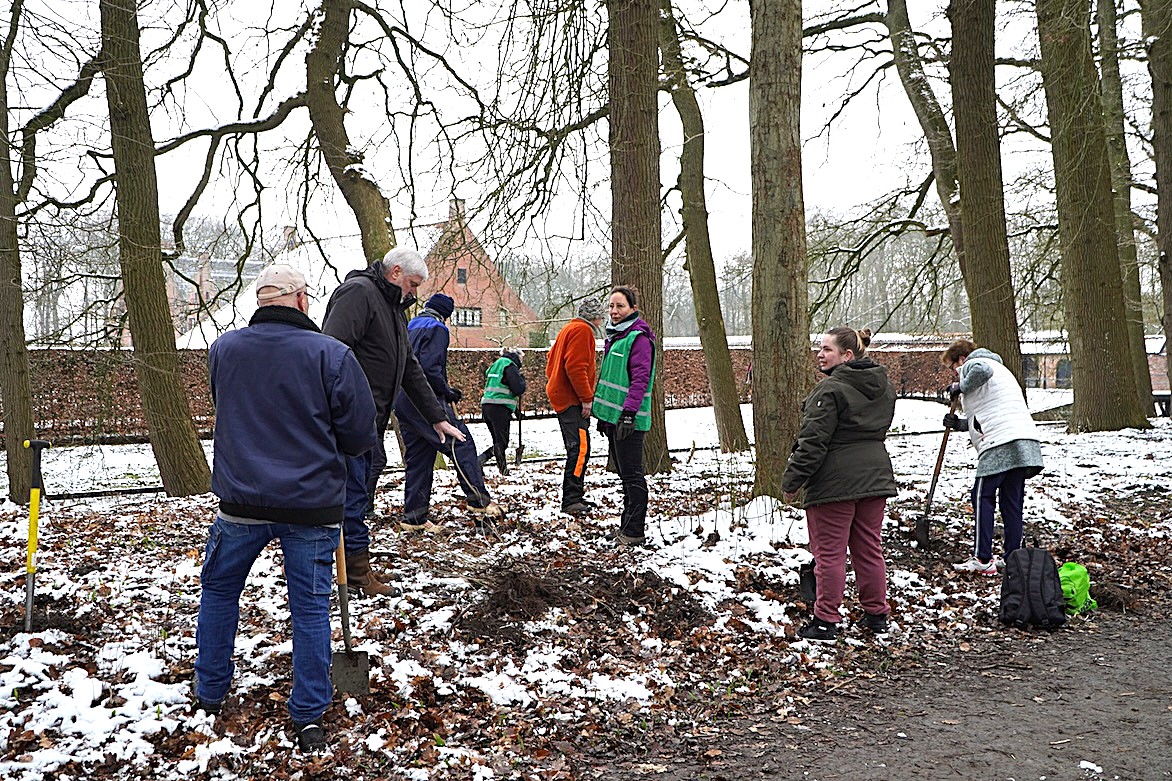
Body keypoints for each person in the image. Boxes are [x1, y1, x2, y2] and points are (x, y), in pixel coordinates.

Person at [196, 264, 377, 752]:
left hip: (241, 500)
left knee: (218, 591)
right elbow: (360, 435)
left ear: (261, 302)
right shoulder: (331, 355)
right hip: (311, 506)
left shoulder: (224, 350)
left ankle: (208, 694)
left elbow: (227, 407)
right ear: (300, 301)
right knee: (310, 608)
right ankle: (309, 716)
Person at [322, 247, 464, 595]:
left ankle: (354, 566)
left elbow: (410, 368)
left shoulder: (392, 308)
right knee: (353, 494)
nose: (415, 293)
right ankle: (352, 573)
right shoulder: (359, 294)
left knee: (359, 489)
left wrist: (437, 417)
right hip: (349, 419)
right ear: (395, 272)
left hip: (369, 419)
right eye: (413, 284)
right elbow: (330, 352)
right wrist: (343, 408)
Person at [782, 327, 897, 643]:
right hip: (876, 477)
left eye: (827, 349)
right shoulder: (884, 387)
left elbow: (813, 443)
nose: (820, 354)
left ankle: (825, 621)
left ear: (847, 355)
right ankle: (877, 615)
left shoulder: (830, 390)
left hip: (835, 482)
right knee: (868, 549)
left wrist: (793, 481)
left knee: (829, 554)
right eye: (819, 348)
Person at [394, 293, 504, 533]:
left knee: (420, 457)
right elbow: (429, 369)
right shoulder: (437, 329)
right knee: (460, 443)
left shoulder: (409, 325)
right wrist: (447, 392)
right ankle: (479, 503)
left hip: (402, 400)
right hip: (425, 400)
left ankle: (414, 517)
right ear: (446, 314)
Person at [941, 339, 1044, 576]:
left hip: (1000, 442)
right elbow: (990, 413)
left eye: (953, 368)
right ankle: (1012, 558)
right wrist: (959, 424)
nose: (954, 374)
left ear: (961, 359)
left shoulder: (977, 362)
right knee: (1011, 502)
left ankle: (983, 558)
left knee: (981, 495)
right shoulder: (1002, 370)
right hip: (1023, 440)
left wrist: (961, 386)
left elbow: (979, 371)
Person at [594, 286, 657, 546]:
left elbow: (640, 379)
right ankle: (626, 525)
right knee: (623, 473)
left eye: (620, 306)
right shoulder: (616, 337)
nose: (614, 311)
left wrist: (629, 414)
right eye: (611, 306)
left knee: (632, 474)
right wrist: (605, 416)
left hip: (629, 420)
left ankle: (634, 531)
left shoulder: (638, 338)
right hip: (614, 418)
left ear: (633, 308)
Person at [545, 298, 606, 516]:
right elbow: (576, 367)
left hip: (562, 397)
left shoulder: (567, 329)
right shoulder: (583, 331)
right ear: (596, 317)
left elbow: (551, 360)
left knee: (578, 448)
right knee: (579, 449)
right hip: (572, 401)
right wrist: (586, 398)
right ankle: (572, 499)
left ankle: (574, 496)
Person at [479, 347, 527, 476]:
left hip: (487, 406)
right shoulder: (509, 366)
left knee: (498, 441)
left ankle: (503, 469)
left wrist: (516, 411)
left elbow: (501, 386)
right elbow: (517, 388)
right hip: (499, 408)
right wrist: (522, 381)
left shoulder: (496, 365)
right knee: (502, 442)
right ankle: (479, 461)